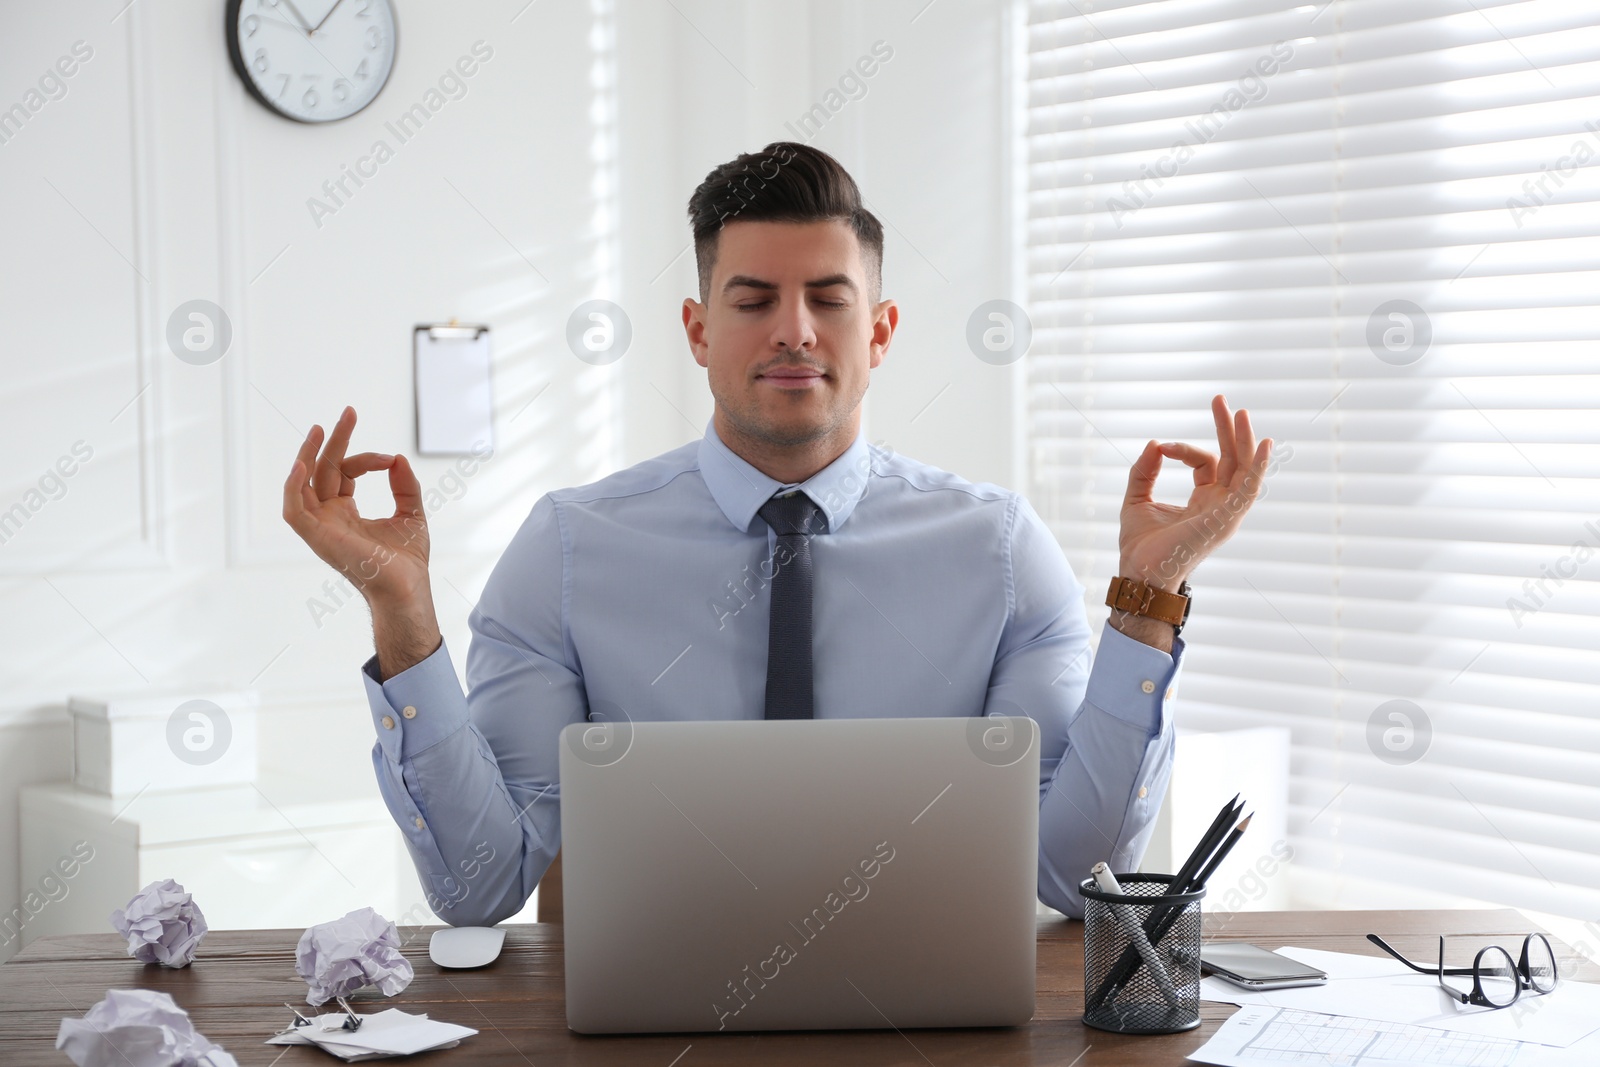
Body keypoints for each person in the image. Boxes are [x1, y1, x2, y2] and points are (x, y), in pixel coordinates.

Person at [282, 141, 1272, 926]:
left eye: (828, 300)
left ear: (878, 332)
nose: (792, 329)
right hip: (648, 1031)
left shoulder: (999, 551)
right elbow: (480, 882)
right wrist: (399, 611)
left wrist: (1149, 598)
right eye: (752, 299)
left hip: (927, 1022)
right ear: (698, 329)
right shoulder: (570, 550)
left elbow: (1070, 871)